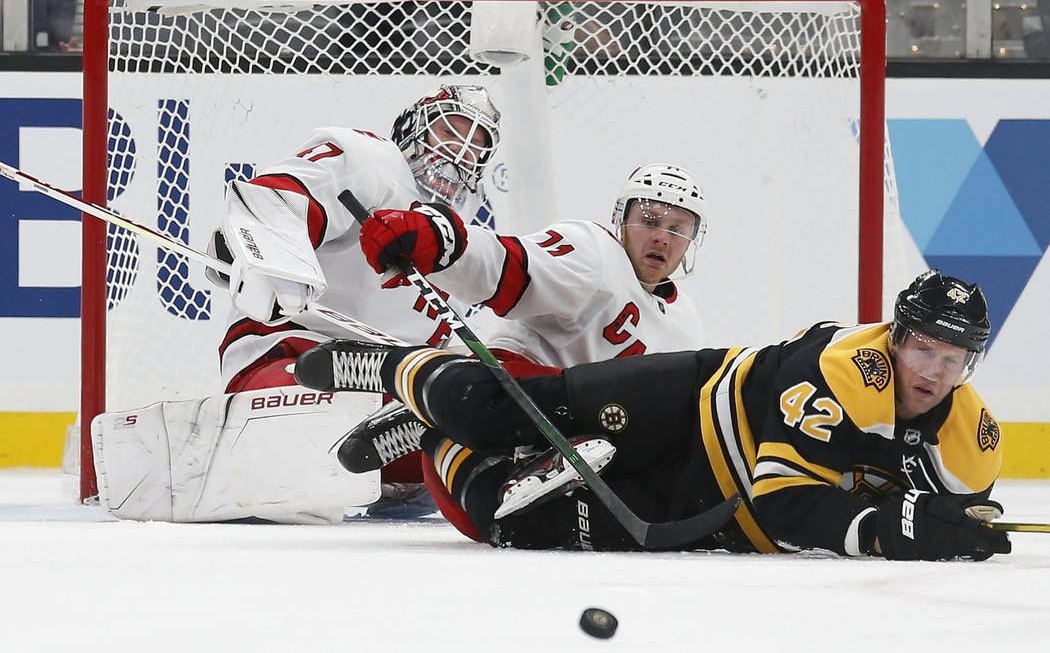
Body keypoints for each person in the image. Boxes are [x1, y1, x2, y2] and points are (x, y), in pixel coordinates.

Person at [295, 270, 1013, 560]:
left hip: (709, 507)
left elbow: (958, 511)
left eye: (952, 359)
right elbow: (788, 504)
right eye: (922, 348)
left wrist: (959, 525)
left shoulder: (968, 440)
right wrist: (895, 529)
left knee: (505, 521)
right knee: (496, 413)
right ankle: (395, 364)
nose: (931, 371)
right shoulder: (841, 371)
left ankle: (430, 432)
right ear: (895, 336)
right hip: (688, 408)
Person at [90, 84, 501, 525]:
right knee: (307, 416)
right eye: (451, 131)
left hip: (387, 387)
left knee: (474, 419)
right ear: (413, 125)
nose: (459, 152)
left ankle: (422, 450)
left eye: (476, 145)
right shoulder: (369, 160)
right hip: (293, 350)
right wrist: (262, 253)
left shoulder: (454, 235)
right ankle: (259, 447)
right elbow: (276, 199)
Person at [348, 162, 708, 537]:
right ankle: (421, 391)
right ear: (621, 219)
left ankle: (428, 422)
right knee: (475, 427)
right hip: (500, 398)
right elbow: (512, 265)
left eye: (677, 229)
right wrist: (442, 244)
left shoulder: (686, 325)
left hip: (576, 442)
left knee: (493, 525)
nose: (662, 238)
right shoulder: (594, 253)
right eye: (649, 221)